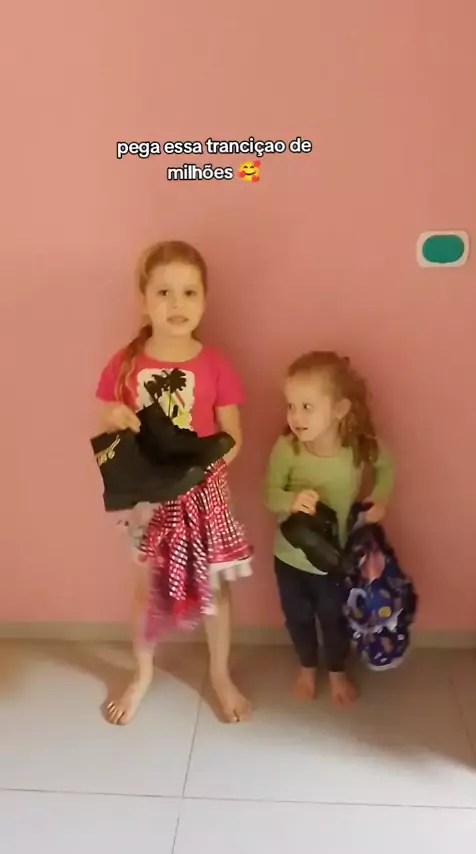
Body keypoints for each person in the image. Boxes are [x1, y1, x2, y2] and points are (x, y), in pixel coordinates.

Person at [95, 240, 252, 725]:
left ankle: (220, 674)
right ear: (143, 300)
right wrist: (117, 416)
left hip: (204, 499)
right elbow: (107, 423)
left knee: (216, 592)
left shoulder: (216, 365)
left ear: (204, 301)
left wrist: (198, 470)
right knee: (147, 589)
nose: (177, 303)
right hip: (149, 502)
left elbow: (233, 438)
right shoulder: (125, 363)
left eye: (189, 292)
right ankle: (142, 673)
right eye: (164, 292)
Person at [265, 351, 394, 705]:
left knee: (334, 618)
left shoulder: (357, 448)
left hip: (335, 558)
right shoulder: (287, 449)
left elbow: (385, 466)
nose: (296, 417)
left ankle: (336, 669)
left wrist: (379, 498)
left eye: (307, 407)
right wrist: (291, 500)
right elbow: (269, 494)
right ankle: (307, 665)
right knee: (298, 617)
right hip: (290, 558)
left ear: (339, 410)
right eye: (291, 406)